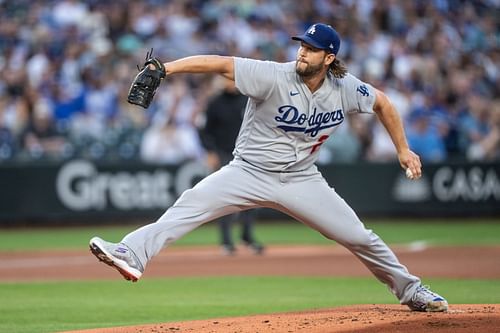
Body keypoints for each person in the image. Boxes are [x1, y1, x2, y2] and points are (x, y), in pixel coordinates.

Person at [90, 23, 448, 312]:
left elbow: (383, 103)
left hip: (302, 179)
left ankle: (411, 291)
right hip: (248, 171)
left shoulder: (345, 88)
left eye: (310, 49)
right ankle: (132, 252)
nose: (301, 53)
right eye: (301, 46)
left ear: (329, 57)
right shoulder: (273, 75)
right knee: (190, 203)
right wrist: (166, 68)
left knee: (358, 236)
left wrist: (403, 149)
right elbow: (220, 63)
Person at [201, 77, 264, 255]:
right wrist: (210, 151)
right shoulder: (215, 103)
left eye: (233, 79)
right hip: (223, 153)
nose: (230, 82)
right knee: (225, 198)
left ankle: (247, 235)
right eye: (227, 79)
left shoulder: (247, 99)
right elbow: (204, 131)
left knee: (254, 198)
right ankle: (226, 241)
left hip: (249, 154)